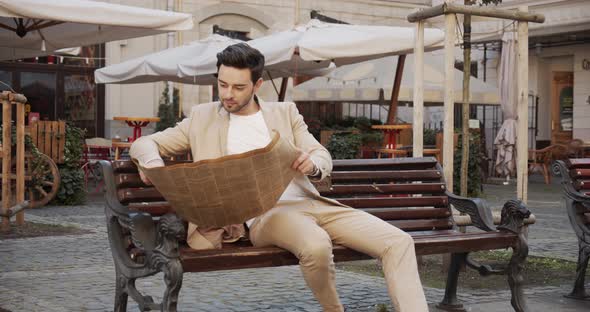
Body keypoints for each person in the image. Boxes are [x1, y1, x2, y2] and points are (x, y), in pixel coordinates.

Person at [130, 43, 428, 312]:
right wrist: (152, 163)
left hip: (313, 203)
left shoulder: (285, 112)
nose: (227, 94)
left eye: (238, 87)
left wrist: (312, 164)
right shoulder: (202, 117)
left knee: (398, 242)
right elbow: (144, 143)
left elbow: (320, 153)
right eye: (222, 84)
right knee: (315, 245)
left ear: (257, 84)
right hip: (265, 215)